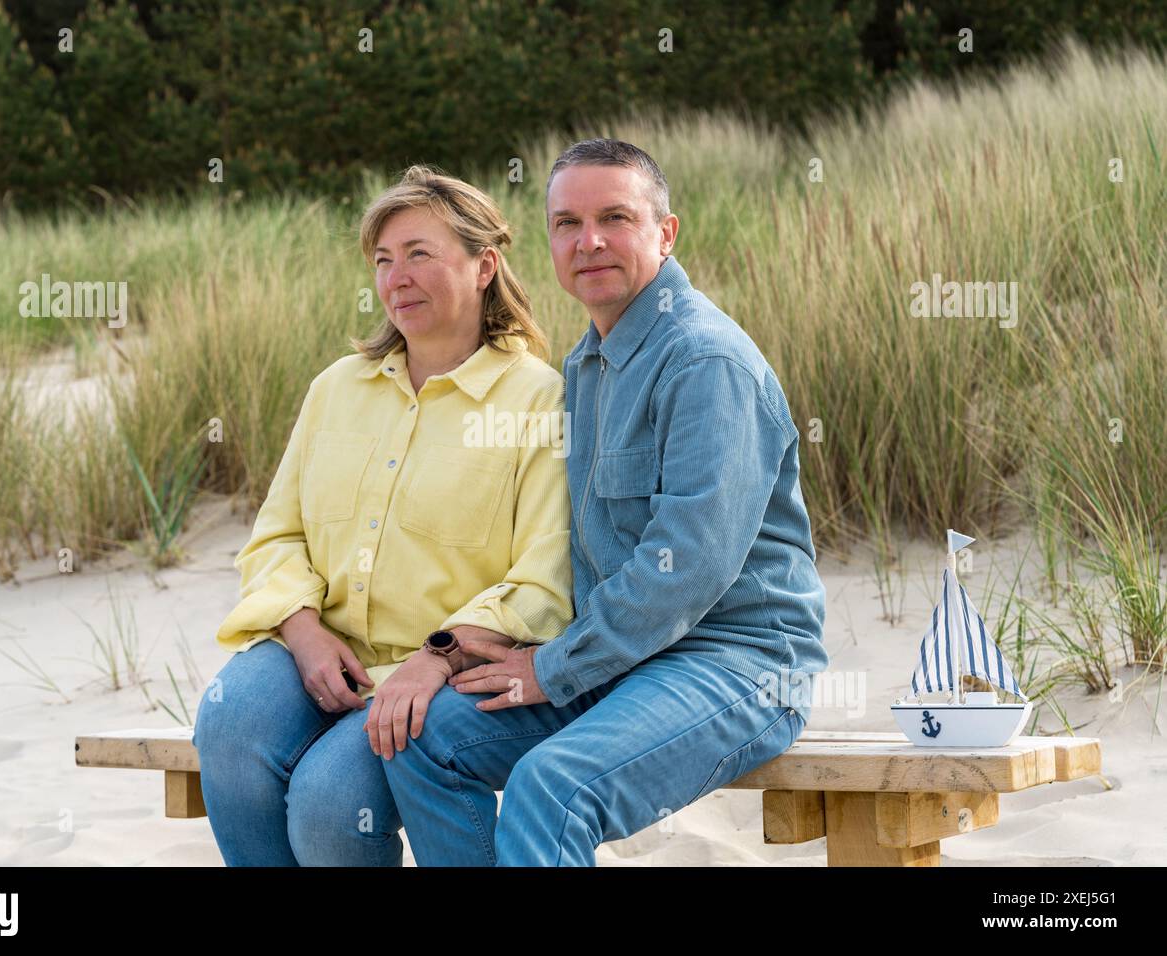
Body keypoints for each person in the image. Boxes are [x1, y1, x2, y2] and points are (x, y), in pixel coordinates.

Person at [381, 138, 831, 865]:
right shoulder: (588, 361)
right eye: (566, 223)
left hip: (737, 664)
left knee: (552, 787)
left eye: (614, 218)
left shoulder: (705, 362)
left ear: (665, 232)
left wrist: (554, 667)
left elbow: (684, 569)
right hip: (619, 658)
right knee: (423, 740)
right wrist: (480, 644)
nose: (588, 241)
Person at [192, 164, 573, 866]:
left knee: (330, 802)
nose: (397, 277)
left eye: (420, 255)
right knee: (229, 724)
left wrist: (437, 658)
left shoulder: (538, 401)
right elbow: (276, 537)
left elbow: (546, 576)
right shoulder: (337, 388)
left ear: (484, 264)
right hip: (317, 646)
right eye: (383, 261)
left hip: (435, 671)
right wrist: (303, 633)